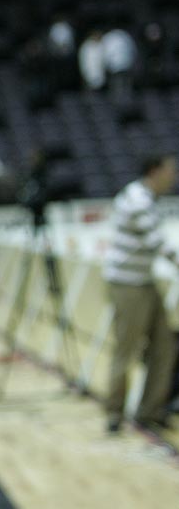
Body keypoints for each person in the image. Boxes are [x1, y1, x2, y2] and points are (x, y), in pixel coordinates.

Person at [103, 153, 179, 432]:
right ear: (155, 171)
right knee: (127, 348)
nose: (174, 176)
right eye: (170, 170)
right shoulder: (137, 200)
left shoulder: (145, 197)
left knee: (165, 346)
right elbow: (157, 242)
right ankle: (114, 413)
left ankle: (150, 410)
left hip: (144, 281)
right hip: (128, 285)